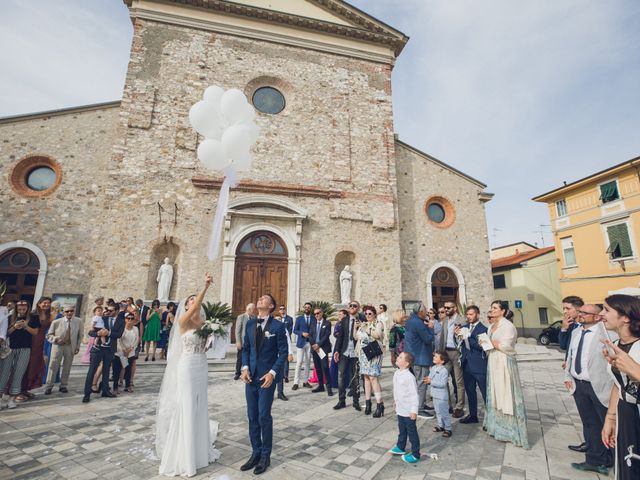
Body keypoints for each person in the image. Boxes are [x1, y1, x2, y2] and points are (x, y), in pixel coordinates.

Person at [156, 273, 221, 477]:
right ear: (186, 306)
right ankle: (185, 456)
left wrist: (213, 334)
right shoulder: (183, 320)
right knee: (187, 405)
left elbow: (207, 346)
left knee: (200, 405)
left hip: (201, 365)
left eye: (195, 301)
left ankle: (199, 452)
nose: (194, 303)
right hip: (187, 366)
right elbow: (194, 308)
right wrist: (205, 287)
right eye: (191, 301)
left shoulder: (203, 325)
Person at [240, 294, 288, 475]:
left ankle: (266, 456)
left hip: (267, 379)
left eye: (264, 298)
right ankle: (255, 452)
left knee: (263, 416)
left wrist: (273, 373)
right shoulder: (251, 323)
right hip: (250, 378)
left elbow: (283, 353)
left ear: (271, 306)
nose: (260, 299)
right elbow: (246, 349)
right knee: (252, 416)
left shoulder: (278, 326)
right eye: (259, 298)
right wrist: (244, 368)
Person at [563, 303, 613, 475]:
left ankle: (616, 458)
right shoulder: (577, 331)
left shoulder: (606, 333)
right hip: (579, 385)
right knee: (590, 423)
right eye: (581, 311)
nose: (581, 314)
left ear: (598, 316)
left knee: (608, 423)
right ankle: (596, 459)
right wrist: (567, 375)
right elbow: (569, 355)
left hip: (599, 385)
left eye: (585, 312)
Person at [601, 294, 640, 480]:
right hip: (625, 412)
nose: (602, 314)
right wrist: (610, 418)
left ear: (625, 317)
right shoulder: (616, 345)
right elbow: (618, 385)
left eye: (607, 310)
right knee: (626, 466)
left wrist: (635, 370)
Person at [481, 301, 529, 448]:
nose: (492, 310)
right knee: (495, 394)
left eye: (495, 308)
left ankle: (511, 431)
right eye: (492, 307)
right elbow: (490, 343)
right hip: (493, 360)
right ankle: (496, 427)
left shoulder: (508, 326)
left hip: (504, 363)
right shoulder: (491, 326)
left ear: (503, 311)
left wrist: (494, 344)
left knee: (505, 394)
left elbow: (508, 346)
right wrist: (485, 343)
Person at [0, 301, 39, 409]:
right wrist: (14, 327)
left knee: (19, 372)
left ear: (27, 308)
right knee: (3, 373)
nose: (21, 311)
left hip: (25, 348)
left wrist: (25, 326)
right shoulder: (9, 317)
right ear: (16, 308)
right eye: (19, 309)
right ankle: (0, 398)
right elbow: (5, 333)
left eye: (24, 309)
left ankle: (12, 399)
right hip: (9, 348)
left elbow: (35, 332)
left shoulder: (33, 318)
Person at [82, 304, 124, 402]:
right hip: (98, 349)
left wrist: (108, 333)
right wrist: (98, 334)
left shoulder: (121, 321)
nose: (108, 312)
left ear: (117, 311)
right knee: (92, 371)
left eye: (111, 310)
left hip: (110, 349)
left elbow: (119, 334)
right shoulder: (102, 319)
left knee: (106, 371)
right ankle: (87, 394)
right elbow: (90, 332)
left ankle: (105, 391)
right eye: (108, 310)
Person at [455, 305, 488, 424]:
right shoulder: (464, 327)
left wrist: (469, 338)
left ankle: (490, 418)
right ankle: (473, 415)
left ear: (477, 315)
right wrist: (457, 336)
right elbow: (459, 344)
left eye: (471, 314)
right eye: (467, 315)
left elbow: (483, 347)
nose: (469, 317)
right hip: (466, 364)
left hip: (479, 366)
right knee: (470, 391)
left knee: (485, 393)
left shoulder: (483, 329)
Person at [403, 302, 435, 419]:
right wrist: (431, 328)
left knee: (419, 383)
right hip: (420, 357)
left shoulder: (412, 320)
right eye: (425, 310)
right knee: (421, 383)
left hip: (414, 356)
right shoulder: (418, 323)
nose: (427, 312)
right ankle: (419, 408)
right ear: (420, 312)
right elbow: (427, 339)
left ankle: (421, 404)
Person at [389, 351, 420, 464]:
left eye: (401, 357)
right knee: (402, 429)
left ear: (406, 363)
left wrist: (414, 411)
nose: (398, 357)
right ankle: (400, 446)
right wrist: (395, 400)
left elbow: (414, 395)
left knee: (412, 432)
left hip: (408, 410)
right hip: (400, 409)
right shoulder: (397, 373)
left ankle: (416, 454)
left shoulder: (409, 377)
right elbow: (396, 389)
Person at [44, 305, 83, 395]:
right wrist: (57, 339)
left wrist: (77, 347)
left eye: (71, 311)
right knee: (53, 366)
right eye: (67, 311)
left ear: (74, 312)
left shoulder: (79, 321)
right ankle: (49, 386)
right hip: (58, 346)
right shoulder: (56, 322)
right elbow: (48, 335)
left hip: (70, 346)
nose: (69, 313)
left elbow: (80, 336)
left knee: (67, 366)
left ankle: (63, 385)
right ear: (63, 312)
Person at [20, 296, 52, 401]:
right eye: (44, 303)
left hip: (41, 342)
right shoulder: (33, 314)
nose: (46, 305)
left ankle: (25, 389)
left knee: (35, 366)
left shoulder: (49, 315)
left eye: (48, 303)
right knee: (25, 365)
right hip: (31, 341)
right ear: (39, 303)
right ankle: (18, 391)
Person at [356, 305, 385, 417]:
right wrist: (357, 327)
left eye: (370, 314)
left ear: (374, 314)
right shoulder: (363, 324)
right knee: (366, 377)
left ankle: (379, 404)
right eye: (366, 314)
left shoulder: (378, 323)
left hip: (374, 353)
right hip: (364, 354)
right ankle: (368, 403)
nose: (367, 316)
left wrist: (368, 330)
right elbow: (356, 337)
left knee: (373, 377)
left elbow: (378, 335)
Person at [439, 302, 465, 418]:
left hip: (456, 352)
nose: (446, 309)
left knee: (459, 381)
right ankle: (448, 405)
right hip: (446, 353)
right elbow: (442, 337)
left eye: (448, 308)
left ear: (454, 308)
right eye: (445, 308)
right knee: (443, 380)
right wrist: (440, 353)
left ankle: (459, 407)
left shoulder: (462, 320)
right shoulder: (445, 320)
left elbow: (465, 338)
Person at [333, 305, 361, 410]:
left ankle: (356, 401)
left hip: (356, 352)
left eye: (354, 306)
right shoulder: (344, 320)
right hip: (344, 351)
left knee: (355, 377)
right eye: (350, 306)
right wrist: (336, 350)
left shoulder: (362, 319)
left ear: (358, 308)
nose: (352, 307)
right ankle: (341, 401)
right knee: (341, 376)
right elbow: (340, 337)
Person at [425, 351, 452, 438]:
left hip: (441, 396)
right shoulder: (433, 368)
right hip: (434, 395)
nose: (434, 358)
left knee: (444, 412)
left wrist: (431, 381)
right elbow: (430, 377)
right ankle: (441, 425)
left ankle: (448, 428)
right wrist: (427, 379)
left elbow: (443, 384)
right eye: (434, 356)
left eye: (436, 357)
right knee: (438, 411)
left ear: (442, 361)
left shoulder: (444, 371)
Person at [112, 312, 139, 394]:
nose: (130, 320)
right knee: (117, 370)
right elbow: (118, 340)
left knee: (128, 370)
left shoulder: (135, 329)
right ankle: (115, 387)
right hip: (120, 352)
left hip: (130, 352)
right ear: (125, 319)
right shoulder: (121, 328)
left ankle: (127, 386)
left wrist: (131, 349)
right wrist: (124, 350)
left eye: (132, 318)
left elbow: (136, 340)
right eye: (128, 318)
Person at [309, 307, 333, 396]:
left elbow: (326, 335)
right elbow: (310, 335)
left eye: (318, 313)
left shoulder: (327, 323)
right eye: (315, 314)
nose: (316, 315)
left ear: (322, 313)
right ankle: (320, 386)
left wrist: (318, 344)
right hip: (315, 349)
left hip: (323, 348)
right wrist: (314, 345)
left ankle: (329, 387)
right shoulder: (312, 323)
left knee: (325, 367)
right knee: (318, 367)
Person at [292, 302, 313, 390]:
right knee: (299, 362)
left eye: (308, 307)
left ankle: (305, 381)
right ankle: (296, 383)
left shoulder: (313, 318)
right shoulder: (299, 319)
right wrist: (302, 333)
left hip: (310, 343)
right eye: (306, 307)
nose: (307, 308)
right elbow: (295, 330)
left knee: (308, 362)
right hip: (301, 343)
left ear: (310, 308)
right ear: (303, 308)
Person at [234, 303, 254, 381]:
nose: (254, 311)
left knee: (250, 357)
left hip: (251, 342)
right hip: (243, 341)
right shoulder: (241, 317)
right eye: (253, 309)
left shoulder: (254, 318)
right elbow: (237, 330)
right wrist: (238, 341)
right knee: (240, 358)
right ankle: (237, 373)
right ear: (249, 309)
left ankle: (248, 372)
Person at [278, 305, 293, 382]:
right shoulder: (277, 319)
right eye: (281, 309)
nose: (282, 310)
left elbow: (290, 329)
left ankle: (286, 375)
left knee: (286, 359)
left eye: (283, 309)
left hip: (286, 340)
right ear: (279, 311)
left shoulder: (289, 319)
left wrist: (286, 337)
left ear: (285, 310)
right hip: (278, 341)